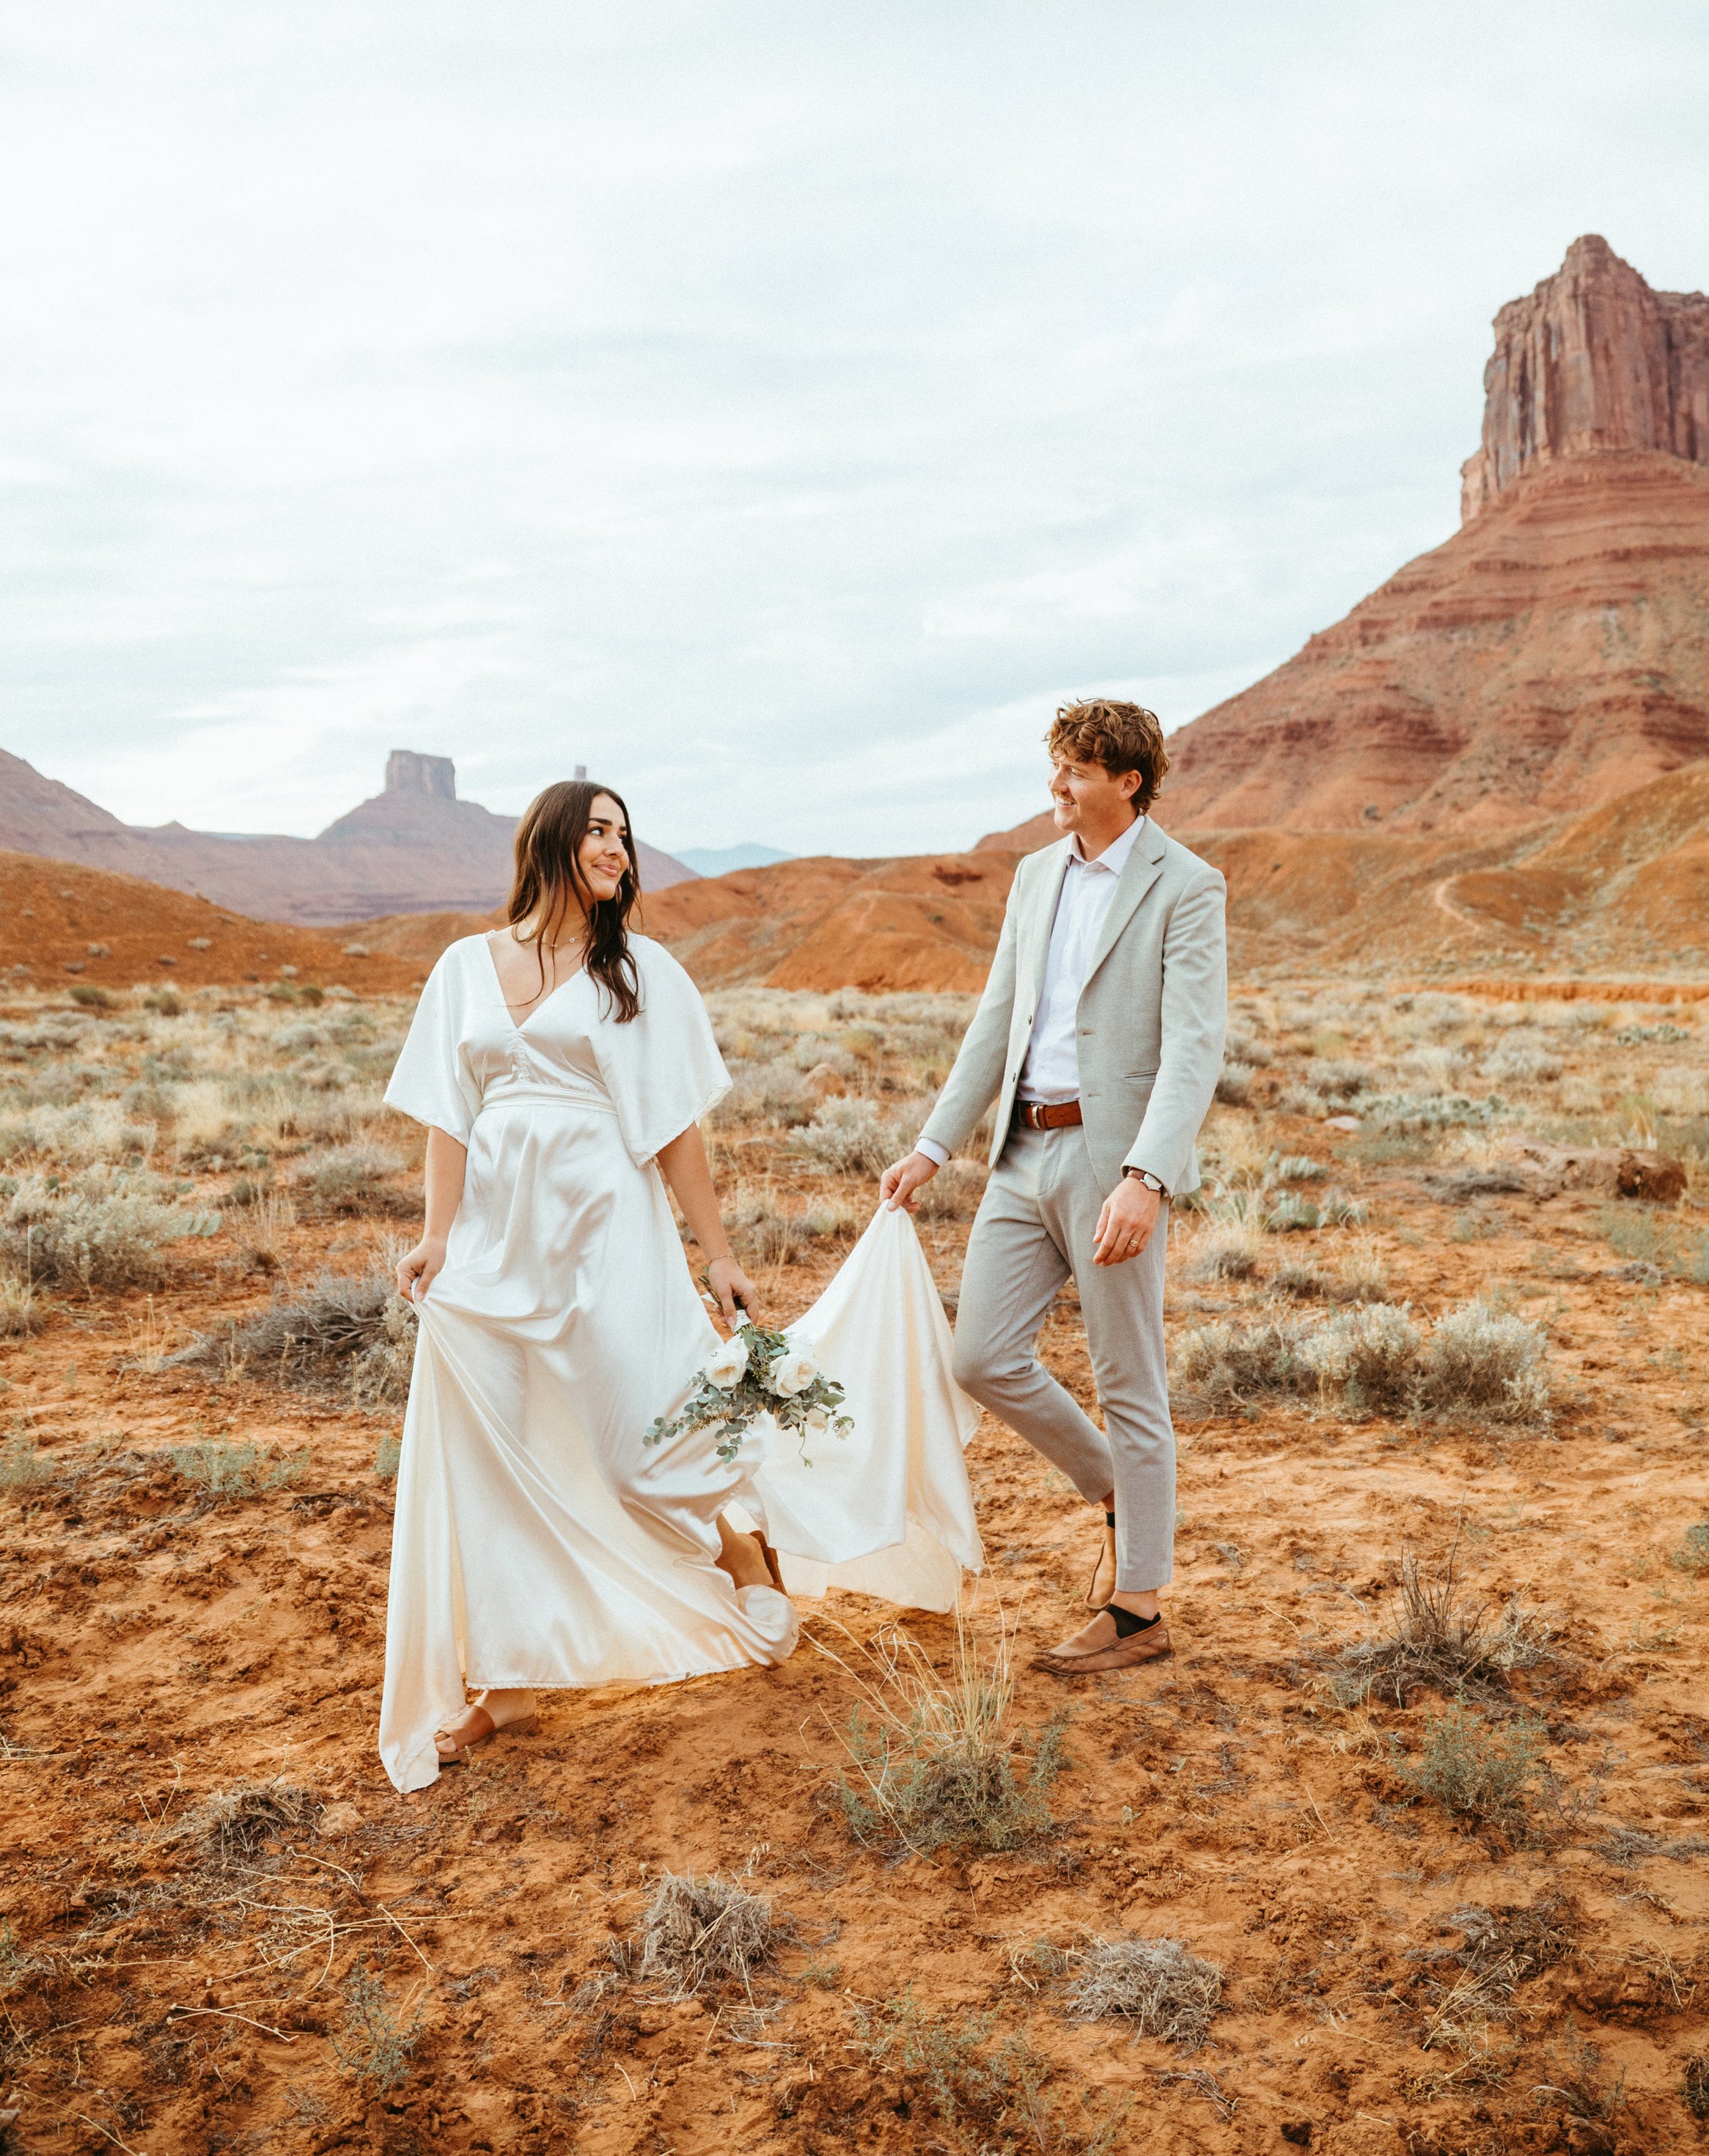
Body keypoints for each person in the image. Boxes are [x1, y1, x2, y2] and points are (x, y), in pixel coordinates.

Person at [378, 777, 980, 1793]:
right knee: (491, 1445)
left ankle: (741, 1542)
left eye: (625, 835)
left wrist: (718, 1252)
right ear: (553, 839)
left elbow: (673, 1131)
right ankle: (507, 1676)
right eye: (599, 830)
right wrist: (437, 1235)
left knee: (635, 1450)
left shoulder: (638, 972)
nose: (617, 848)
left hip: (606, 1229)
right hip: (493, 1243)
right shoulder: (464, 967)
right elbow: (447, 1112)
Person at [881, 700, 1227, 1676]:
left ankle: (1139, 1608)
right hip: (1019, 1156)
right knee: (980, 1353)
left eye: (1075, 769)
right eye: (1056, 766)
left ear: (1127, 780)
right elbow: (997, 1019)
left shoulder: (1187, 886)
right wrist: (932, 1145)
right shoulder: (1035, 877)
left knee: (1131, 1380)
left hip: (1112, 1163)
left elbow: (1196, 1044)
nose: (1057, 785)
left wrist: (1147, 1176)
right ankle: (1119, 1488)